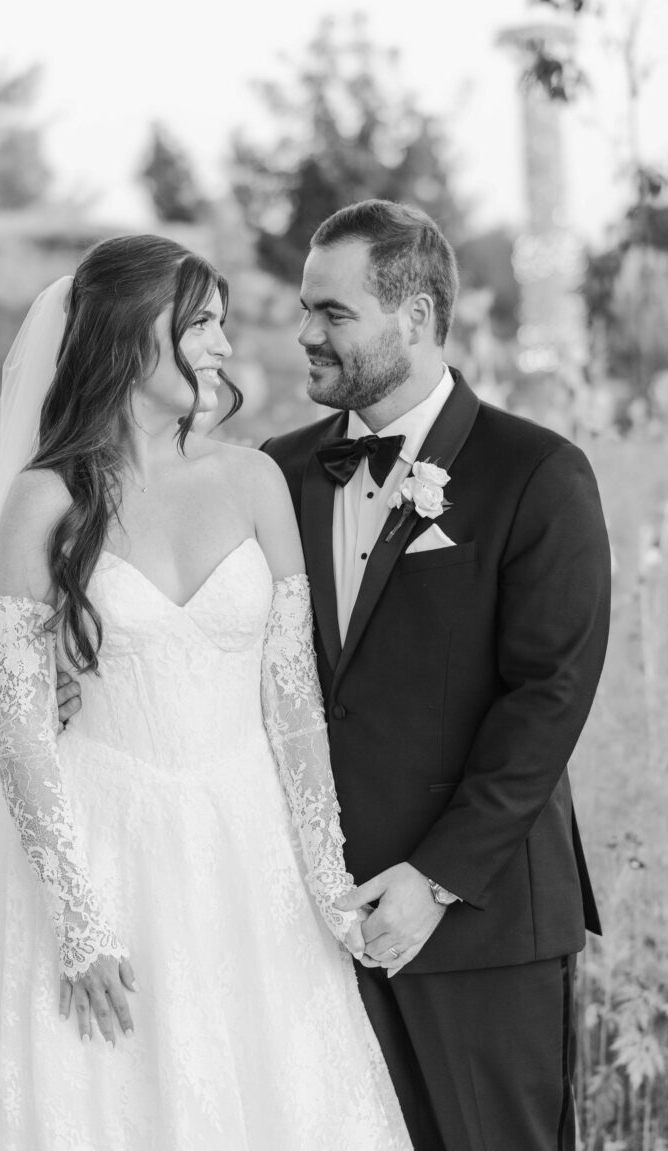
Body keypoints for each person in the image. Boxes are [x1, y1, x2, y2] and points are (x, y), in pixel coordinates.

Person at [0, 235, 413, 1150]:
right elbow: (19, 733)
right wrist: (77, 916)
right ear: (133, 334)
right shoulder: (44, 502)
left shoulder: (254, 480)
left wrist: (327, 879)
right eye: (202, 323)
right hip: (106, 852)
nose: (225, 345)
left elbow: (293, 708)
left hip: (248, 854)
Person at [258, 200, 611, 1151]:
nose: (306, 333)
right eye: (305, 307)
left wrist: (436, 878)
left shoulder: (537, 472)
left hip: (481, 925)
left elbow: (548, 697)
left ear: (414, 316)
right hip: (317, 927)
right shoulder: (277, 473)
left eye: (334, 312)